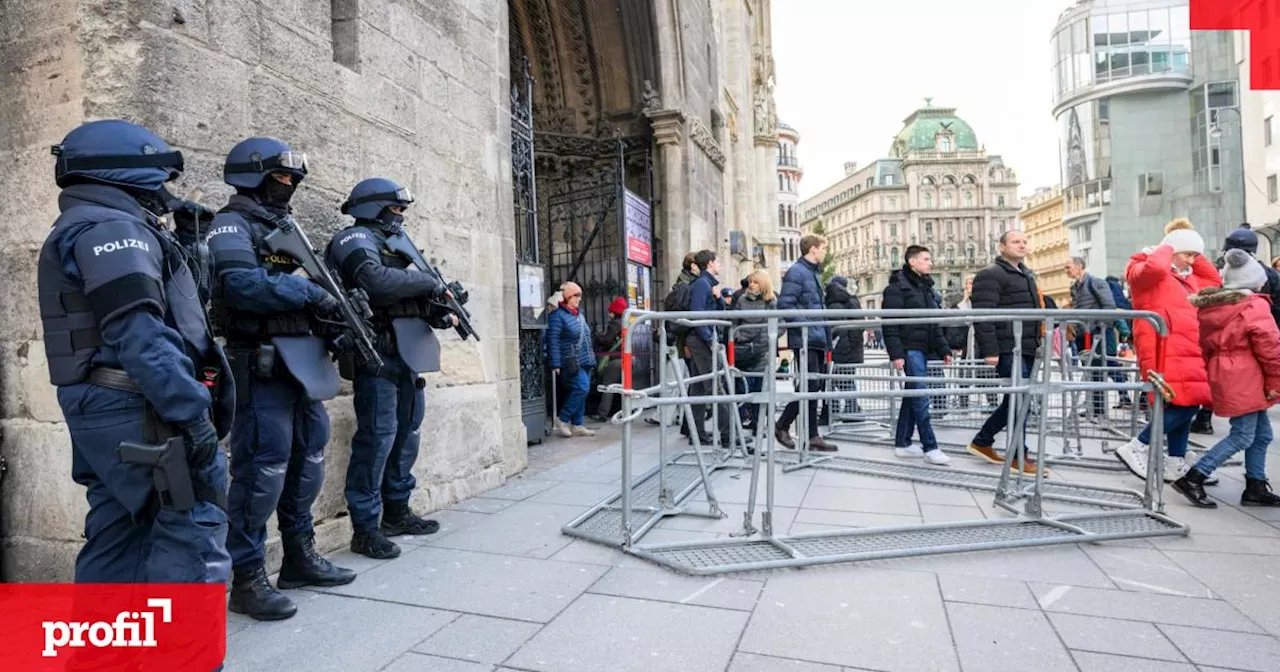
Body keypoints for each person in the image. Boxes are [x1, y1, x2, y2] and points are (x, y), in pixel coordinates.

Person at [39, 120, 235, 597]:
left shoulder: (86, 223)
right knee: (190, 533)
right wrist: (192, 416)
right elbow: (140, 333)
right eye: (159, 178)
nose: (164, 191)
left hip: (106, 402)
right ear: (126, 171)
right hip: (140, 405)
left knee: (118, 534)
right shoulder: (112, 227)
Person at [207, 137, 355, 621]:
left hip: (303, 365)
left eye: (293, 180)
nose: (289, 187)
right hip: (261, 362)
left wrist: (336, 320)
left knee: (308, 459)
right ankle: (247, 579)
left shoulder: (286, 227)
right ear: (254, 174)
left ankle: (299, 556)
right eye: (283, 178)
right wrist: (308, 293)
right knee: (260, 471)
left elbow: (316, 287)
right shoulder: (230, 223)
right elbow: (240, 286)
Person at [326, 178, 460, 560]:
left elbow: (414, 299)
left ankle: (397, 511)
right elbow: (377, 283)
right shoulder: (354, 240)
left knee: (407, 434)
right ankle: (365, 528)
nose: (400, 217)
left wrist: (441, 305)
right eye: (395, 209)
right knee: (377, 439)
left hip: (408, 356)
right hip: (378, 354)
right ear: (375, 208)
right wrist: (426, 281)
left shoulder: (397, 244)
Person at [1116, 218, 1220, 483]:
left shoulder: (1190, 277)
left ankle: (1176, 459)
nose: (1192, 260)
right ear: (1171, 249)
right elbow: (1155, 268)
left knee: (1189, 402)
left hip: (1187, 347)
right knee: (1182, 404)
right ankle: (1138, 445)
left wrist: (1192, 252)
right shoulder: (1143, 267)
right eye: (1188, 254)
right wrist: (1166, 247)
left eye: (1195, 255)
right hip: (1162, 346)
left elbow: (1214, 281)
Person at [1174, 250, 1280, 508]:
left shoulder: (1216, 306)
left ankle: (1256, 484)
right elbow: (1270, 347)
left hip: (1227, 371)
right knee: (1243, 435)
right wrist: (1276, 382)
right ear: (1255, 281)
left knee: (1262, 434)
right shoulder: (1254, 305)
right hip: (1248, 373)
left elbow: (1205, 345)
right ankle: (1195, 476)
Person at [1190, 226, 1280, 435]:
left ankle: (1205, 419)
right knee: (1249, 428)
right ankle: (1202, 468)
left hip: (1235, 347)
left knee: (1256, 430)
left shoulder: (1225, 272)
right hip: (1259, 341)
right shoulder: (1264, 274)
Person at [967, 231, 1042, 474]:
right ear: (1002, 247)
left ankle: (983, 441)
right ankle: (1018, 456)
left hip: (1027, 346)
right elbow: (984, 315)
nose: (1022, 245)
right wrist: (991, 351)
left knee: (1018, 400)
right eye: (1015, 242)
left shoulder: (1026, 274)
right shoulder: (991, 274)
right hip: (1009, 347)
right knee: (1019, 401)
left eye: (1024, 241)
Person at [882, 246, 953, 465]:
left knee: (913, 395)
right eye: (926, 259)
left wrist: (944, 349)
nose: (930, 263)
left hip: (924, 348)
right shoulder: (897, 288)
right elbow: (890, 324)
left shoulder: (926, 287)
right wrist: (896, 353)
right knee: (921, 396)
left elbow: (933, 322)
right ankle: (930, 446)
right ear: (912, 262)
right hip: (910, 348)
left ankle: (902, 443)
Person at [776, 235, 837, 451]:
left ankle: (812, 435)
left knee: (815, 385)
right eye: (823, 248)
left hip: (816, 337)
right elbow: (785, 305)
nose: (825, 252)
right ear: (812, 249)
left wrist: (826, 340)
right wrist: (807, 325)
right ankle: (782, 425)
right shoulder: (797, 272)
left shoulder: (812, 273)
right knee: (808, 384)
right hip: (806, 338)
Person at [1066, 256, 1130, 417]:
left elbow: (1109, 307)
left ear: (1079, 266)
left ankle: (1099, 409)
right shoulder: (1075, 287)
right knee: (1090, 372)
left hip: (1097, 334)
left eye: (1068, 267)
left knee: (1099, 370)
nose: (1066, 271)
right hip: (1084, 334)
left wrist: (1099, 327)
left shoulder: (1096, 282)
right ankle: (1094, 408)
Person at [687, 250, 731, 446]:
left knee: (698, 388)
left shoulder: (708, 285)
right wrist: (710, 341)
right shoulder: (702, 284)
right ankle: (729, 435)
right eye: (718, 261)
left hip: (702, 339)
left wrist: (719, 298)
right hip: (702, 341)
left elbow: (719, 313)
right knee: (717, 387)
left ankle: (697, 433)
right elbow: (697, 316)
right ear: (710, 264)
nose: (720, 265)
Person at [547, 281, 598, 438]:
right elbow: (553, 340)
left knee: (583, 391)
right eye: (576, 296)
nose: (579, 299)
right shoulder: (557, 316)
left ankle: (577, 424)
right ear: (567, 297)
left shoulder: (579, 315)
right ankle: (562, 419)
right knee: (582, 388)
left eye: (579, 296)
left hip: (585, 360)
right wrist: (555, 363)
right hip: (570, 361)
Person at [734, 270, 777, 432]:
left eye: (756, 282)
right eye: (750, 281)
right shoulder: (741, 300)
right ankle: (738, 427)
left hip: (761, 352)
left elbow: (779, 326)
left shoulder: (771, 302)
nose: (751, 285)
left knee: (760, 390)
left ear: (763, 284)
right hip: (742, 350)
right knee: (741, 390)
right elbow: (733, 322)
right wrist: (737, 335)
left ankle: (758, 425)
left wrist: (763, 341)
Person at [825, 276, 864, 417]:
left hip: (838, 349)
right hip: (851, 348)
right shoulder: (852, 301)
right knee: (846, 379)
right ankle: (851, 408)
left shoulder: (831, 304)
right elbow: (859, 327)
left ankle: (837, 409)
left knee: (835, 379)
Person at [592, 297, 628, 421]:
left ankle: (602, 413)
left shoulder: (615, 324)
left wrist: (598, 337)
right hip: (629, 359)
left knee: (608, 386)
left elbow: (607, 341)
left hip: (616, 359)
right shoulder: (627, 321)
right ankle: (628, 411)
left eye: (610, 311)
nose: (609, 314)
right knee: (626, 387)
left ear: (615, 312)